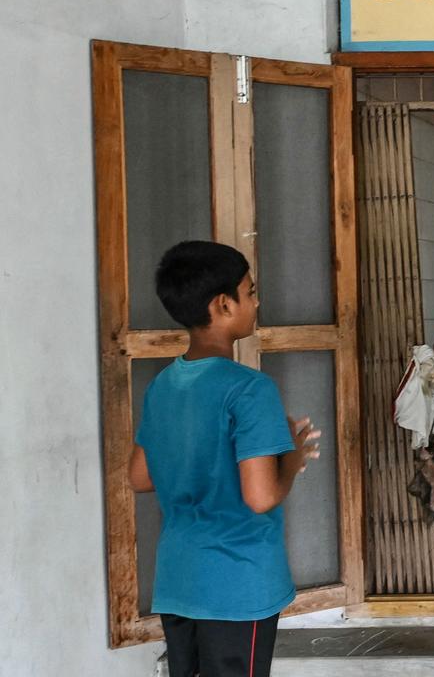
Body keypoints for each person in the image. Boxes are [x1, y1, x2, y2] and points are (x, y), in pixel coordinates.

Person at [128, 241, 320, 677]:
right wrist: (289, 461)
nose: (256, 301)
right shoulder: (249, 389)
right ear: (223, 304)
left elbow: (139, 476)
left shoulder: (163, 386)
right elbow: (259, 497)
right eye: (250, 292)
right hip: (237, 584)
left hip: (179, 580)